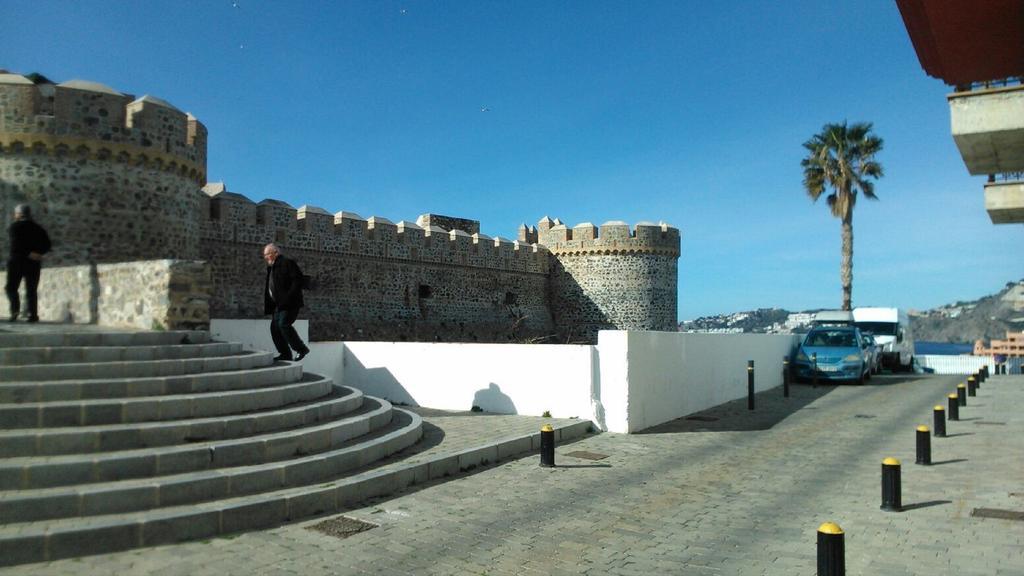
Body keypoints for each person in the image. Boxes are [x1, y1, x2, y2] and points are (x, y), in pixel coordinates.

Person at [262, 243, 310, 362]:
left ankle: (301, 349)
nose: (266, 257)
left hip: (290, 303)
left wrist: (287, 298)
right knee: (275, 328)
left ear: (275, 253)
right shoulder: (273, 267)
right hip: (279, 305)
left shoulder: (287, 263)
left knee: (283, 324)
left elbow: (297, 280)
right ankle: (285, 354)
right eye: (265, 255)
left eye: (267, 254)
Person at [5, 204, 51, 322]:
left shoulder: (14, 227)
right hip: (33, 263)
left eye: (16, 213)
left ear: (19, 214)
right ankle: (33, 315)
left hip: (17, 261)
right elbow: (47, 245)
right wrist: (38, 253)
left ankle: (15, 311)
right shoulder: (38, 228)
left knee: (11, 288)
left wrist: (27, 253)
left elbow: (15, 245)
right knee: (31, 289)